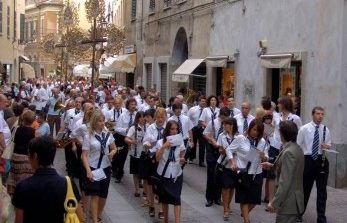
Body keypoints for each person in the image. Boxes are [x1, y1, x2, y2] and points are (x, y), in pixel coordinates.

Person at [12, 136, 84, 223]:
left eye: (28, 154)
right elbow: (81, 218)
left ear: (34, 156)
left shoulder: (22, 187)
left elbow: (19, 220)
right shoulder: (67, 183)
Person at [262, 121, 304, 223]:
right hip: (293, 201)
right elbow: (290, 169)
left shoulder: (289, 152)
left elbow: (285, 181)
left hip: (288, 202)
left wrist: (274, 203)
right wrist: (273, 166)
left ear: (282, 134)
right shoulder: (296, 148)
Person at [227, 119, 268, 223]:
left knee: (254, 200)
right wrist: (232, 162)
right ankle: (246, 220)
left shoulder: (262, 142)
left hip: (256, 172)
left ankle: (245, 212)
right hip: (243, 171)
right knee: (244, 198)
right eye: (254, 129)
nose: (256, 132)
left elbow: (266, 157)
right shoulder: (241, 138)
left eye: (258, 131)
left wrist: (264, 157)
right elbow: (229, 149)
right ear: (250, 128)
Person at [81, 110, 117, 223]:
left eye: (103, 121)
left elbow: (114, 148)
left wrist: (113, 152)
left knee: (103, 195)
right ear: (94, 122)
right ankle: (95, 220)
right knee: (94, 195)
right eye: (99, 121)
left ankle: (97, 214)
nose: (102, 123)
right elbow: (84, 155)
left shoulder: (108, 134)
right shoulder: (88, 136)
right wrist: (88, 170)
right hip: (94, 167)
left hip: (105, 167)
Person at [296, 106, 331, 223]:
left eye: (322, 114)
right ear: (313, 115)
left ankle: (321, 217)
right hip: (308, 160)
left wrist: (327, 146)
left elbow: (328, 145)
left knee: (322, 191)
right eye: (318, 114)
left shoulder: (326, 129)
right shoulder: (304, 129)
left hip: (322, 160)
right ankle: (299, 213)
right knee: (305, 189)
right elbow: (298, 145)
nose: (320, 116)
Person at [155, 120, 186, 223]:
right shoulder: (160, 142)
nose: (174, 131)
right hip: (164, 173)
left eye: (176, 129)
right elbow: (157, 159)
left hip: (177, 173)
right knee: (164, 199)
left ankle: (177, 221)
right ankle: (166, 220)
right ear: (168, 130)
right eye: (172, 129)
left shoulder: (180, 141)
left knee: (177, 198)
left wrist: (182, 159)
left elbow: (182, 154)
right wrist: (164, 146)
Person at [203, 107, 231, 207]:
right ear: (220, 115)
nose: (224, 120)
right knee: (211, 174)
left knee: (219, 174)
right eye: (222, 118)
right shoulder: (213, 122)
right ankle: (209, 198)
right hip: (212, 150)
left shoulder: (229, 124)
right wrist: (212, 141)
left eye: (226, 118)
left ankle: (217, 197)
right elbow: (205, 134)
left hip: (222, 151)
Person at [143, 107, 167, 218]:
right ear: (155, 117)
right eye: (158, 117)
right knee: (151, 183)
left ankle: (162, 208)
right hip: (152, 158)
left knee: (162, 184)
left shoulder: (167, 128)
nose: (160, 119)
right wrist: (148, 144)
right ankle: (152, 205)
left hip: (163, 158)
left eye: (162, 117)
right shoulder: (150, 128)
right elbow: (146, 141)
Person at [7, 110, 38, 195]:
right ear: (32, 120)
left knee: (15, 176)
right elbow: (35, 145)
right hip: (27, 157)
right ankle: (24, 193)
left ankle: (14, 192)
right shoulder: (34, 132)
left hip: (16, 156)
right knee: (26, 177)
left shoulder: (18, 129)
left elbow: (15, 141)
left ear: (23, 119)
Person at [216, 117, 238, 221]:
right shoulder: (221, 135)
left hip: (235, 165)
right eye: (223, 124)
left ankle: (228, 205)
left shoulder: (239, 136)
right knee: (225, 187)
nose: (224, 126)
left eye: (226, 124)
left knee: (232, 187)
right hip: (224, 164)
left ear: (232, 125)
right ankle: (225, 209)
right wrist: (222, 150)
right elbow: (219, 149)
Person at [114, 98, 137, 183]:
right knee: (121, 158)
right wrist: (126, 130)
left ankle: (138, 179)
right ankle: (119, 174)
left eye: (134, 104)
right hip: (123, 138)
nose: (133, 106)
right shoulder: (123, 115)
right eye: (132, 104)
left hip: (133, 138)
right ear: (128, 106)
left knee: (136, 157)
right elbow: (117, 128)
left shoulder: (137, 115)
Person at [125, 111, 146, 197]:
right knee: (135, 172)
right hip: (135, 153)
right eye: (141, 117)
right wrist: (132, 141)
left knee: (144, 173)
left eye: (144, 117)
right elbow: (126, 139)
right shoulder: (133, 128)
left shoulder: (148, 127)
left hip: (145, 153)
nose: (143, 119)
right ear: (137, 118)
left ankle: (145, 189)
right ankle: (137, 189)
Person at [187, 95, 207, 166]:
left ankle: (201, 161)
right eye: (202, 101)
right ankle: (191, 158)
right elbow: (188, 118)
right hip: (194, 128)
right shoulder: (192, 109)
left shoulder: (206, 110)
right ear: (199, 102)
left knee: (202, 144)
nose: (203, 103)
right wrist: (189, 128)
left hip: (202, 129)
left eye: (204, 101)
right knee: (193, 143)